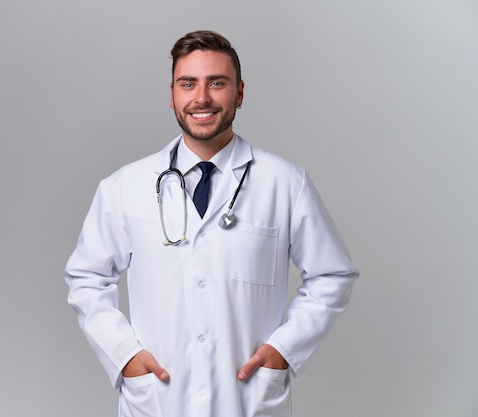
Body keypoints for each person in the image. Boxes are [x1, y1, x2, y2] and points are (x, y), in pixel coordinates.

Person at [64, 30, 359, 417]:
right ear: (172, 95)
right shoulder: (124, 187)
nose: (201, 98)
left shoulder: (285, 183)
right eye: (189, 84)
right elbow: (86, 278)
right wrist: (125, 356)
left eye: (217, 83)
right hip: (159, 399)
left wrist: (285, 350)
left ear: (239, 93)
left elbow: (332, 274)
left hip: (248, 399)